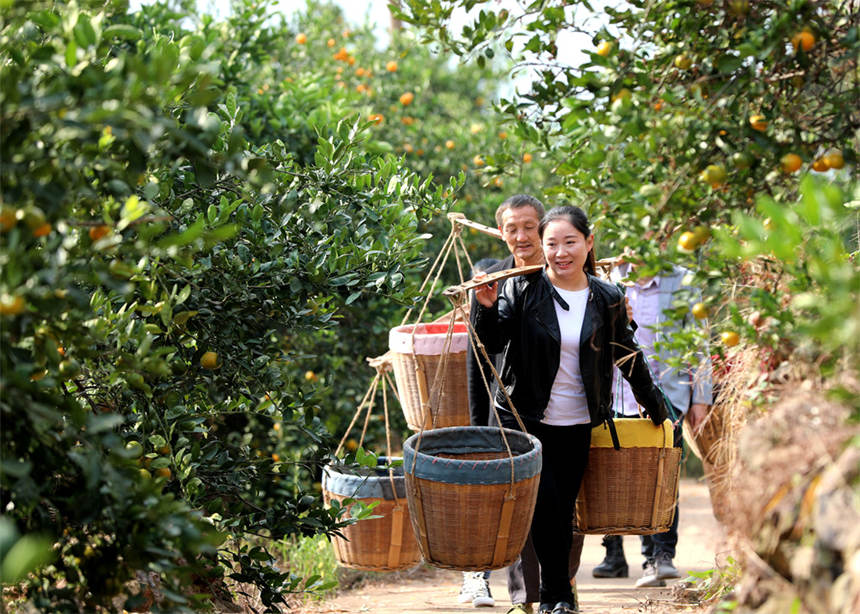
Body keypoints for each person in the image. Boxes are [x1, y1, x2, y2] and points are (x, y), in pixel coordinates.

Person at [473, 205, 668, 614]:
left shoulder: (607, 297)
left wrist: (653, 402)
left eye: (570, 242)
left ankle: (558, 596)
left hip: (577, 419)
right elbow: (492, 343)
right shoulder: (521, 289)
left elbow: (626, 354)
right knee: (544, 503)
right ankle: (554, 596)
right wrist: (487, 308)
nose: (561, 252)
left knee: (561, 508)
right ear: (542, 249)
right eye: (552, 244)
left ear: (588, 243)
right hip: (525, 416)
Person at [458, 195, 584, 613]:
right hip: (513, 412)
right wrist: (481, 425)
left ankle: (558, 587)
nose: (522, 236)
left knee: (559, 506)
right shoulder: (494, 279)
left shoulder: (563, 274)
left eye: (530, 227)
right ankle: (529, 596)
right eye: (513, 229)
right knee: (523, 507)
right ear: (501, 233)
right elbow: (482, 356)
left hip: (567, 412)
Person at [590, 260, 712, 587]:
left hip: (666, 395)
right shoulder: (607, 279)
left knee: (661, 476)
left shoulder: (683, 280)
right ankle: (614, 553)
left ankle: (659, 557)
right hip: (614, 395)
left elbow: (698, 343)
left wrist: (701, 397)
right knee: (611, 476)